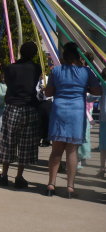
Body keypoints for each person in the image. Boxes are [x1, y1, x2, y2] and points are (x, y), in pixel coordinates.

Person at [45, 43, 101, 198]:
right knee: (72, 150)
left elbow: (49, 92)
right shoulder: (86, 72)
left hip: (58, 111)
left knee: (56, 150)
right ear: (78, 56)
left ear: (64, 56)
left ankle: (51, 184)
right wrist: (85, 89)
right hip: (76, 112)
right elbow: (98, 90)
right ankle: (70, 187)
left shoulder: (55, 71)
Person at [0, 42, 42, 188]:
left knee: (8, 141)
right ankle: (19, 177)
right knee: (25, 144)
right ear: (34, 54)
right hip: (29, 107)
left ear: (20, 52)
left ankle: (4, 175)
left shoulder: (10, 68)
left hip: (13, 106)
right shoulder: (36, 68)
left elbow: (9, 83)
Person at [36, 72, 53, 147]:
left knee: (47, 121)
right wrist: (40, 91)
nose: (41, 75)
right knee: (39, 122)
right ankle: (37, 139)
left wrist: (46, 89)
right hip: (39, 102)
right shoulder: (36, 80)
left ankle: (46, 140)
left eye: (42, 73)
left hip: (48, 102)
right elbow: (35, 91)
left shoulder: (48, 79)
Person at [97, 68, 106, 179]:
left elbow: (93, 96)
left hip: (104, 118)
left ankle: (102, 168)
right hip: (103, 117)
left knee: (103, 146)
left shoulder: (102, 85)